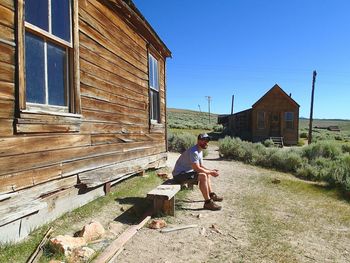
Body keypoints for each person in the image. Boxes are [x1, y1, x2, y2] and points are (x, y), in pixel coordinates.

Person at [172, 133, 223, 211]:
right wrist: (210, 172)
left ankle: (211, 195)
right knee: (203, 175)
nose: (206, 142)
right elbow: (197, 168)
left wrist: (210, 171)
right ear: (198, 141)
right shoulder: (194, 151)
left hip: (186, 173)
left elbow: (201, 166)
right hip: (179, 175)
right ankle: (208, 203)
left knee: (206, 173)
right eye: (203, 140)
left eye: (207, 140)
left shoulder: (200, 151)